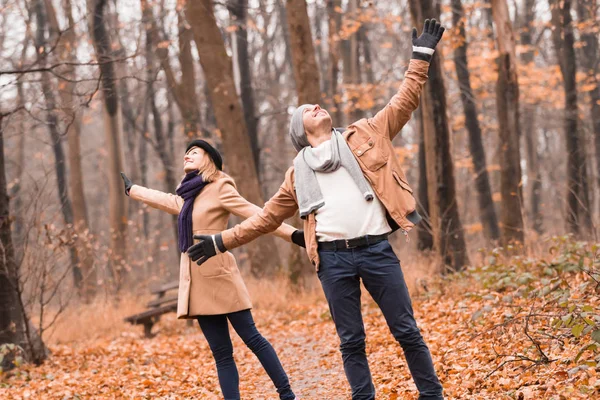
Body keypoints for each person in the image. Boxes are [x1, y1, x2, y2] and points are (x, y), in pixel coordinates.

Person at [185, 20, 446, 400]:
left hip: (376, 251)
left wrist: (420, 56)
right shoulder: (296, 175)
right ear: (301, 131)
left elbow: (405, 99)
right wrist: (220, 242)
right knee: (351, 340)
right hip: (333, 261)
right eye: (307, 110)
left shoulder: (366, 133)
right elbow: (265, 219)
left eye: (317, 105)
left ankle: (431, 395)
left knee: (406, 330)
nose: (316, 107)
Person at [121, 140, 303, 400]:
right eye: (185, 153)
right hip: (197, 284)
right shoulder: (188, 197)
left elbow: (258, 215)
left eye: (194, 152)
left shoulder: (220, 187)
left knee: (253, 339)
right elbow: (164, 200)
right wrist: (133, 190)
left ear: (209, 159)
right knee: (221, 353)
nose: (187, 155)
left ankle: (287, 394)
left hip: (221, 276)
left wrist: (292, 235)